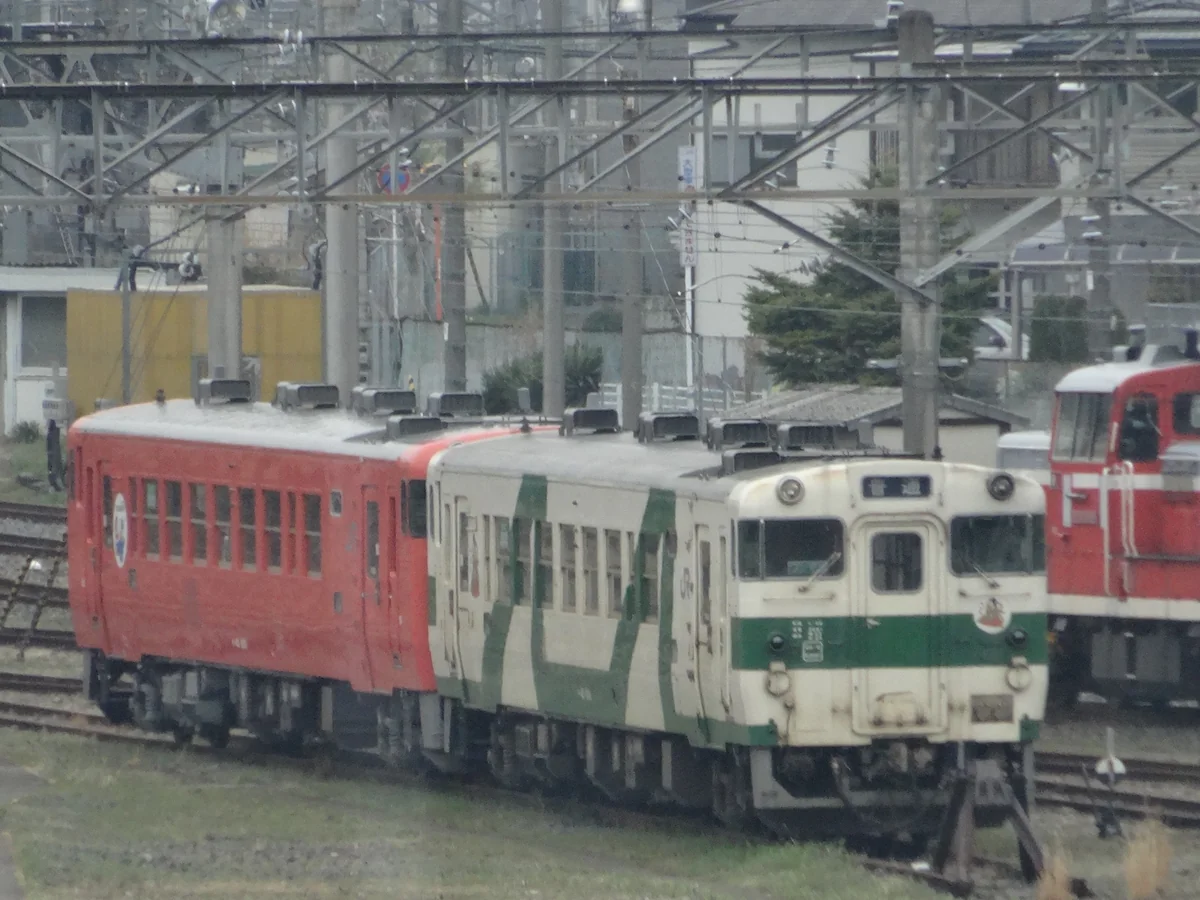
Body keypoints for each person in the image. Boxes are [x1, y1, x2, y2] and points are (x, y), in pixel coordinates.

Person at [46, 419, 62, 492]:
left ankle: (54, 483)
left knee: (51, 468)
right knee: (55, 468)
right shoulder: (55, 433)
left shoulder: (50, 434)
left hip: (51, 454)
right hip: (55, 453)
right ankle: (55, 483)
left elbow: (49, 446)